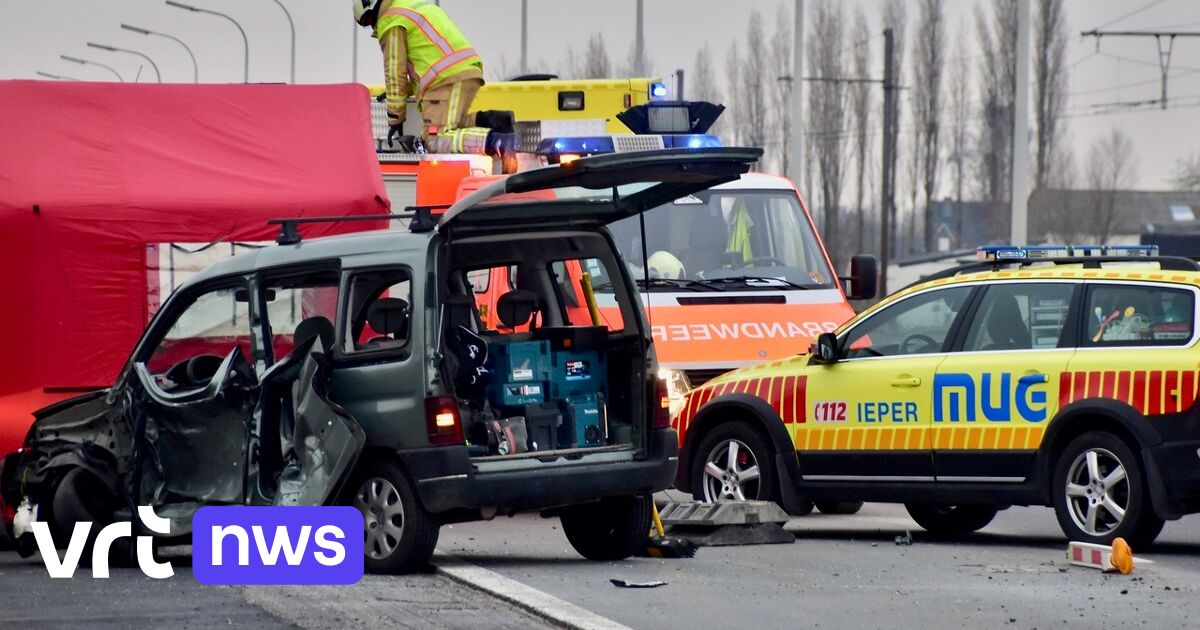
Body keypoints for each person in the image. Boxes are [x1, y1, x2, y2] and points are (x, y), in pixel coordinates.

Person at [353, 0, 515, 160]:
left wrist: (395, 118)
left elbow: (395, 72)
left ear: (372, 6)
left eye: (368, 20)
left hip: (444, 79)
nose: (372, 27)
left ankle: (497, 141)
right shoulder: (411, 6)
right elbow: (426, 57)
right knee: (451, 125)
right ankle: (494, 120)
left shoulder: (390, 21)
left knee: (434, 139)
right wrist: (405, 90)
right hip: (464, 69)